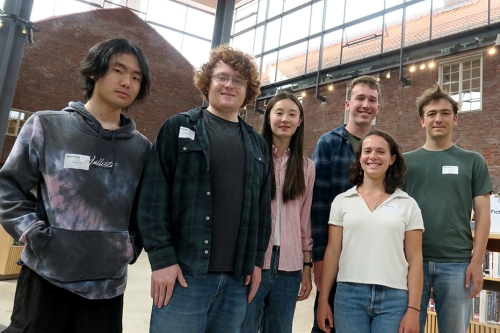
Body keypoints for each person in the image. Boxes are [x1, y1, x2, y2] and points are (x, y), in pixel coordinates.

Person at [0, 38, 152, 333]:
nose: (127, 82)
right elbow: (8, 187)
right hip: (47, 276)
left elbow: (144, 209)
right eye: (118, 70)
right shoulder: (47, 126)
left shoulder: (141, 148)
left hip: (108, 285)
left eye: (136, 77)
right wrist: (34, 234)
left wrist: (129, 246)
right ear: (95, 72)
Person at [136, 44, 271, 333]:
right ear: (207, 81)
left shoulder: (258, 145)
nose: (229, 85)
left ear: (248, 90)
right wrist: (161, 260)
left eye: (238, 80)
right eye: (222, 76)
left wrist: (257, 261)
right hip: (184, 275)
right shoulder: (178, 128)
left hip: (237, 280)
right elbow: (152, 201)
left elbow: (262, 212)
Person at [404, 84, 493, 333]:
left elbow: (484, 216)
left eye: (444, 113)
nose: (438, 118)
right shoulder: (404, 162)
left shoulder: (473, 161)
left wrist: (477, 262)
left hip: (458, 265)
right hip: (411, 263)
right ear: (422, 121)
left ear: (455, 119)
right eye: (431, 113)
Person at [317, 129, 424, 333]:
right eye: (367, 151)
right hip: (349, 296)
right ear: (360, 158)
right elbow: (332, 252)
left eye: (380, 152)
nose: (373, 156)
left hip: (394, 299)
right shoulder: (341, 201)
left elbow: (415, 258)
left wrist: (413, 310)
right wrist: (323, 301)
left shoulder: (408, 204)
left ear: (392, 159)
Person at [239, 92, 315, 333]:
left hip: (290, 267)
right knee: (247, 327)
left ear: (300, 121)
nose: (285, 119)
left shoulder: (306, 167)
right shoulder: (252, 158)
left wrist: (307, 267)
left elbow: (305, 221)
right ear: (268, 117)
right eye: (279, 112)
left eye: (292, 114)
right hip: (255, 262)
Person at [311, 75, 381, 333]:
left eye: (372, 100)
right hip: (335, 254)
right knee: (327, 323)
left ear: (378, 108)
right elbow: (318, 205)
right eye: (360, 98)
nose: (365, 104)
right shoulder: (328, 143)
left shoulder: (381, 147)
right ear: (347, 104)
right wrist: (319, 260)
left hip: (371, 257)